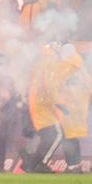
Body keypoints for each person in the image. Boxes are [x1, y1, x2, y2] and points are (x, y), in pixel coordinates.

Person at [25, 44, 65, 173]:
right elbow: (49, 85)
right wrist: (58, 102)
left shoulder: (39, 64)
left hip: (36, 103)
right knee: (58, 134)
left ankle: (31, 164)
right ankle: (41, 163)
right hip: (43, 105)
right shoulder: (50, 64)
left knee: (48, 137)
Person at [55, 45, 92, 174]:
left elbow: (55, 85)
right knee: (73, 137)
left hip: (66, 107)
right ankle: (76, 165)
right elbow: (90, 86)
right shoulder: (82, 67)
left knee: (67, 137)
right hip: (79, 108)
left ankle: (72, 166)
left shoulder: (64, 67)